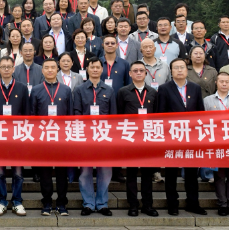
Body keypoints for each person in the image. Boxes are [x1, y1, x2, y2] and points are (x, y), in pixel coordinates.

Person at [157, 58, 207, 216]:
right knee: (171, 173)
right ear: (171, 71)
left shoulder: (195, 88)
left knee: (192, 173)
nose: (179, 70)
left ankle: (193, 203)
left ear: (187, 70)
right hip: (172, 137)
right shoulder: (164, 89)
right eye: (176, 68)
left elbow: (200, 113)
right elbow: (160, 114)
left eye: (182, 67)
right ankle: (172, 203)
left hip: (191, 137)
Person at [0, 56, 30, 217]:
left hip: (17, 136)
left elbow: (26, 113)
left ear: (13, 69)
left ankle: (17, 201)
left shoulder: (22, 88)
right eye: (3, 66)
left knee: (18, 172)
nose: (6, 69)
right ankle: (1, 201)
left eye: (9, 66)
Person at [30, 58, 72, 215]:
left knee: (62, 173)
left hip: (61, 139)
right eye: (46, 67)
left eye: (53, 67)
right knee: (45, 173)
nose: (49, 70)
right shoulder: (36, 90)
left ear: (57, 69)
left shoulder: (66, 90)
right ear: (42, 71)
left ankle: (62, 203)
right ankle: (46, 202)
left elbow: (70, 115)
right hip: (43, 139)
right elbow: (32, 115)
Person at [73, 57, 115, 216]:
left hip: (104, 137)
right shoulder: (79, 89)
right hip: (85, 137)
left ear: (102, 69)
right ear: (87, 69)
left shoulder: (109, 90)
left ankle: (102, 204)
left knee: (105, 171)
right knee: (85, 172)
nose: (95, 70)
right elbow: (76, 113)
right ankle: (88, 204)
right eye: (92, 67)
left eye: (98, 67)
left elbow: (113, 116)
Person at [117, 62, 159, 217]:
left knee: (147, 174)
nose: (139, 73)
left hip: (148, 138)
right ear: (130, 74)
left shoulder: (153, 92)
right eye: (135, 70)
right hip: (131, 138)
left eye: (141, 70)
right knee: (131, 174)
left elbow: (157, 116)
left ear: (146, 73)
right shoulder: (123, 92)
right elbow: (119, 114)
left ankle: (148, 205)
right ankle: (133, 205)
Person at [202, 72, 229, 216]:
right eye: (221, 81)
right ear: (216, 82)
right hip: (216, 144)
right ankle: (222, 204)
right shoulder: (207, 101)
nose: (224, 84)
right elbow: (201, 121)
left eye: (227, 81)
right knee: (219, 176)